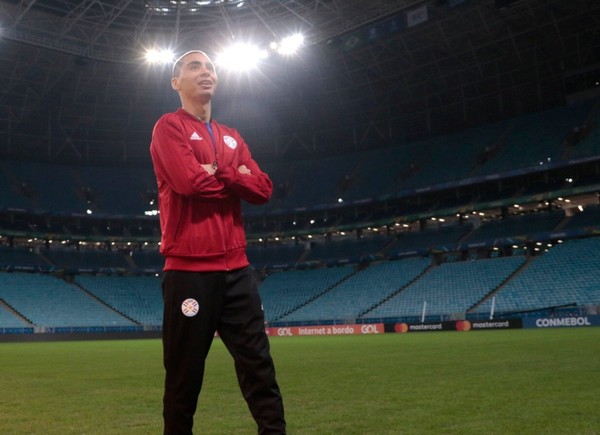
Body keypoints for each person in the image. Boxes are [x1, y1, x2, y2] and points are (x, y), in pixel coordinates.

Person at [150, 50, 286, 435]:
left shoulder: (232, 137)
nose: (205, 72)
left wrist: (221, 170)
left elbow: (262, 189)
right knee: (184, 374)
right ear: (176, 82)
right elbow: (189, 183)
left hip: (238, 272)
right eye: (194, 66)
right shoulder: (168, 128)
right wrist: (235, 178)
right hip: (190, 274)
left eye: (210, 67)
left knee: (259, 366)